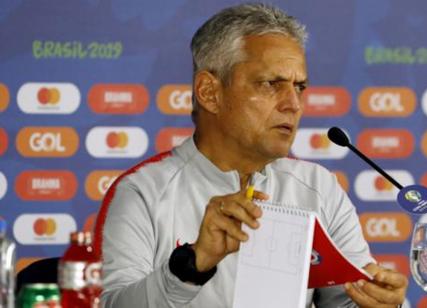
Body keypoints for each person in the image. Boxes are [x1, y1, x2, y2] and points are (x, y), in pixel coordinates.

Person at [93, 3, 408, 307]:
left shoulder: (319, 188)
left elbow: (350, 300)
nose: (293, 104)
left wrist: (379, 304)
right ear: (209, 92)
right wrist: (191, 265)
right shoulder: (143, 192)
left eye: (299, 87)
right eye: (272, 83)